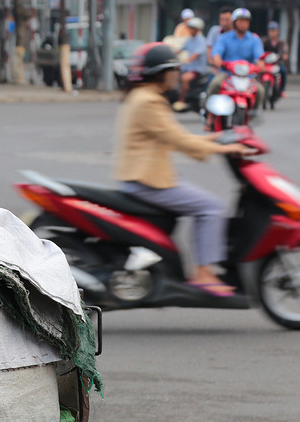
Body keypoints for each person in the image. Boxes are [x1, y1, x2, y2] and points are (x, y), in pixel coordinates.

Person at [113, 43, 252, 298]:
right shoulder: (149, 101)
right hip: (148, 182)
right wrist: (224, 148)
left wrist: (217, 138)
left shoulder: (142, 96)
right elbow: (181, 141)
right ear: (161, 73)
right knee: (212, 207)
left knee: (204, 203)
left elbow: (176, 135)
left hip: (143, 178)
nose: (177, 75)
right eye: (174, 70)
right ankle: (203, 273)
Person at [208, 8, 265, 109]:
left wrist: (260, 65)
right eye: (241, 21)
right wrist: (217, 60)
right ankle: (208, 112)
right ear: (234, 22)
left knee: (260, 90)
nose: (243, 24)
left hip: (247, 76)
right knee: (215, 84)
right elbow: (216, 53)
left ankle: (252, 114)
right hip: (227, 74)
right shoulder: (224, 38)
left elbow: (259, 58)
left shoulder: (254, 39)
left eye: (246, 21)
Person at [175, 17, 208, 110]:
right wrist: (171, 54)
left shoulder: (201, 40)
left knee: (185, 78)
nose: (190, 30)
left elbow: (196, 55)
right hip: (187, 67)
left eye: (192, 28)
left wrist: (186, 61)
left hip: (197, 69)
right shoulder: (189, 39)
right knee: (173, 73)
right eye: (189, 27)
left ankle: (182, 100)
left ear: (197, 29)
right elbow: (181, 49)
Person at [263, 20, 289, 95]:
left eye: (274, 31)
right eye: (271, 30)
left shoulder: (282, 42)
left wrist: (285, 55)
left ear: (278, 31)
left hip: (277, 63)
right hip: (267, 63)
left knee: (283, 71)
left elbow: (285, 50)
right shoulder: (265, 41)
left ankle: (282, 89)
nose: (272, 32)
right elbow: (260, 51)